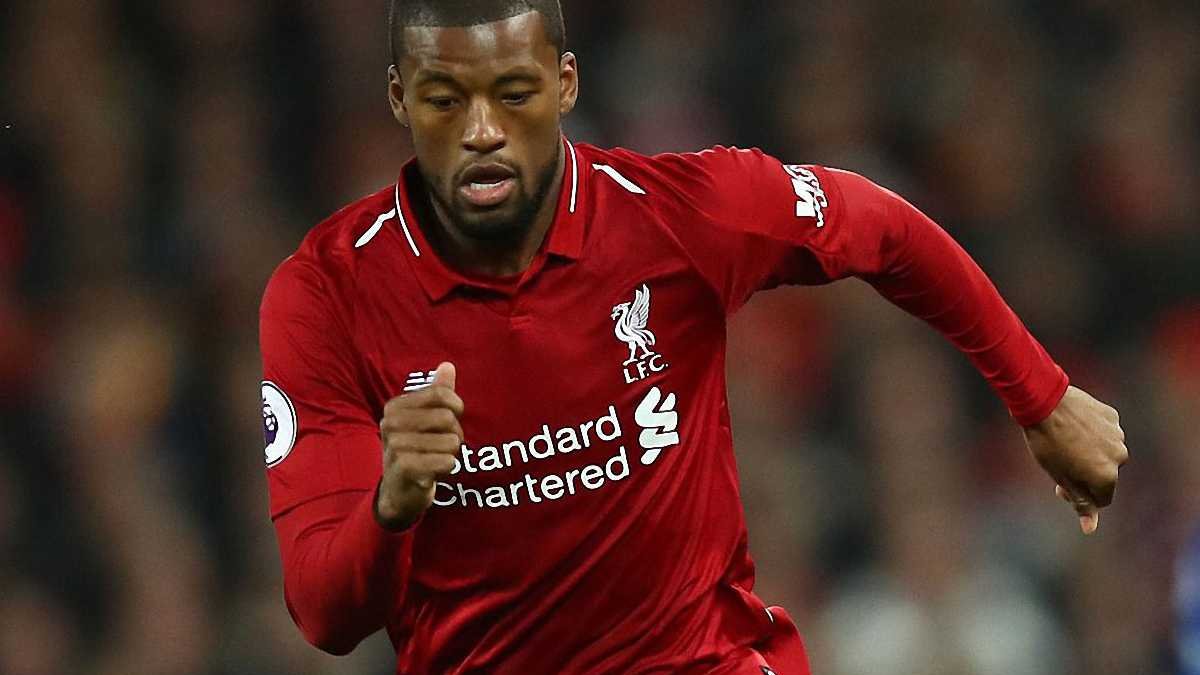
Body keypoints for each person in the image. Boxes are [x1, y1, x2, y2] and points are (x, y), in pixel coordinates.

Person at [257, 1, 1129, 672]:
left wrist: (1043, 399)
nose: (483, 131)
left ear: (565, 84)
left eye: (514, 94)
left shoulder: (675, 217)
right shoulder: (325, 295)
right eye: (445, 100)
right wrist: (392, 504)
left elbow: (881, 227)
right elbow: (326, 614)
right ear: (399, 97)